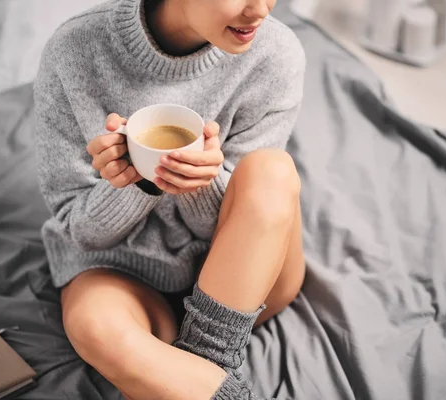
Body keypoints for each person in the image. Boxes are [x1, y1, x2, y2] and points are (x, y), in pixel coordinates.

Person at [34, 0, 306, 398]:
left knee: (273, 170)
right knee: (95, 327)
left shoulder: (276, 55)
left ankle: (200, 360)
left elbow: (249, 218)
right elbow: (79, 231)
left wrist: (202, 183)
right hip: (122, 271)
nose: (260, 9)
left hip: (245, 278)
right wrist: (137, 185)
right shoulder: (75, 50)